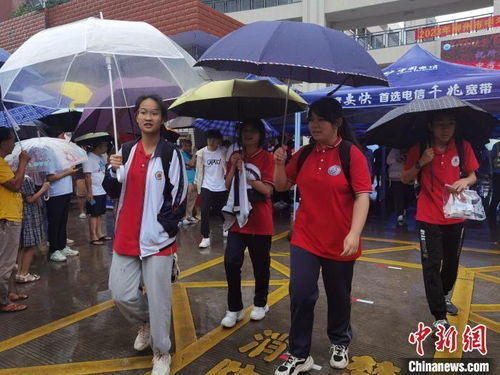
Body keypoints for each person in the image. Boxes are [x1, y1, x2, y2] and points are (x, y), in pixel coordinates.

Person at [273, 97, 372, 374]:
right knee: (301, 294)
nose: (314, 125)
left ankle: (340, 341)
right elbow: (281, 186)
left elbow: (363, 196)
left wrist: (354, 233)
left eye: (321, 120)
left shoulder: (351, 154)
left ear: (337, 123)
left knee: (339, 296)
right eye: (311, 120)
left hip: (341, 241)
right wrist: (279, 163)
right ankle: (298, 353)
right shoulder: (304, 154)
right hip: (305, 237)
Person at [108, 95, 187, 375]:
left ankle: (161, 353)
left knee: (159, 300)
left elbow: (179, 196)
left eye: (154, 113)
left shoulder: (170, 153)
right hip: (125, 237)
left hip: (158, 241)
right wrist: (112, 168)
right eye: (143, 112)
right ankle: (147, 321)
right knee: (121, 293)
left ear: (162, 118)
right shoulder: (126, 150)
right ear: (137, 117)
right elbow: (113, 190)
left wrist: (164, 229)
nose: (148, 117)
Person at [402, 110, 478, 332]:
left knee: (452, 264)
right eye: (440, 124)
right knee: (431, 265)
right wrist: (421, 162)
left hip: (456, 215)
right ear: (430, 126)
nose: (445, 129)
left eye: (450, 124)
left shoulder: (463, 147)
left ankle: (442, 294)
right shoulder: (420, 148)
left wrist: (465, 180)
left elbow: (473, 175)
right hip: (428, 216)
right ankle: (439, 316)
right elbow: (405, 178)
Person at [221, 119, 275, 328]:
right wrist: (234, 167)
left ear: (261, 134)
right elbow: (226, 185)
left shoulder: (267, 158)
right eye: (245, 130)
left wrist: (247, 174)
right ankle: (234, 308)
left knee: (261, 265)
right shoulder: (234, 156)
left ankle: (261, 303)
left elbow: (268, 190)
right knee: (231, 262)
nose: (248, 134)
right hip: (237, 220)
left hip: (260, 220)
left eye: (253, 130)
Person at [0, 128, 31, 312]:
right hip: (6, 219)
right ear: (3, 142)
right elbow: (15, 185)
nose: (14, 144)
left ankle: (8, 293)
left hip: (11, 216)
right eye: (12, 140)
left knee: (9, 262)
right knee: (5, 263)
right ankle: (3, 302)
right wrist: (22, 162)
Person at [46, 130, 80, 262]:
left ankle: (62, 246)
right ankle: (54, 249)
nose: (64, 137)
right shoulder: (50, 155)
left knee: (63, 221)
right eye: (61, 135)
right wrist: (67, 173)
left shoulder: (63, 154)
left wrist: (71, 171)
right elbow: (50, 177)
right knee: (55, 222)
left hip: (66, 191)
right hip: (55, 194)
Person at [194, 129, 227, 248]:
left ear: (218, 140)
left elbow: (227, 167)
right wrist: (197, 183)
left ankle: (225, 226)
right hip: (206, 186)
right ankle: (206, 237)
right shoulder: (201, 153)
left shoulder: (223, 151)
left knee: (221, 210)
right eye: (209, 139)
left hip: (221, 186)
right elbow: (199, 170)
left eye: (214, 139)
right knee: (204, 211)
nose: (211, 141)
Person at [16, 176, 50, 283]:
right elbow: (30, 199)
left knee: (23, 246)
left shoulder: (16, 177)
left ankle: (20, 273)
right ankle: (24, 273)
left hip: (23, 213)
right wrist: (43, 189)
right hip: (30, 214)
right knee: (30, 245)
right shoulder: (25, 179)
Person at [83, 137, 112, 245]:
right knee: (94, 214)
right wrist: (89, 192)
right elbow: (87, 176)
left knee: (100, 213)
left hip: (102, 189)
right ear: (98, 146)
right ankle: (93, 236)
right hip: (94, 190)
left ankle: (99, 233)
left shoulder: (100, 157)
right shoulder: (89, 158)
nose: (106, 147)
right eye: (104, 145)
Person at [387, 148, 414, 226]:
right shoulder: (394, 150)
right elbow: (388, 161)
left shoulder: (411, 151)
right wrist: (397, 159)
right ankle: (400, 214)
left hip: (408, 177)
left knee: (407, 195)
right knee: (398, 196)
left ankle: (403, 210)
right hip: (396, 177)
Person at [179, 138, 199, 226]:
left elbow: (193, 165)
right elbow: (191, 164)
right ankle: (184, 217)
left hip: (194, 179)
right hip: (187, 181)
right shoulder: (181, 154)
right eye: (186, 146)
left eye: (190, 146)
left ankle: (189, 216)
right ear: (182, 146)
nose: (189, 148)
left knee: (192, 200)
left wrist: (193, 159)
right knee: (186, 200)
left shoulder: (190, 155)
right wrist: (194, 155)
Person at [487, 140, 499, 229]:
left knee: (496, 197)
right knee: (496, 197)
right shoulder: (496, 145)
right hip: (497, 175)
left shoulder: (496, 145)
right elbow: (491, 159)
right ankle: (491, 219)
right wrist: (491, 171)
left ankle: (492, 219)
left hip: (496, 174)